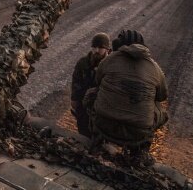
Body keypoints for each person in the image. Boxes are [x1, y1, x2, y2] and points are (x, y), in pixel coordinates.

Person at [90, 30, 168, 166]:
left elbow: (97, 81)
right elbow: (162, 96)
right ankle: (140, 151)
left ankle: (97, 138)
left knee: (91, 94)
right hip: (136, 134)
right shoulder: (154, 67)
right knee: (160, 110)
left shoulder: (109, 59)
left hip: (104, 125)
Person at [71, 33, 110, 137]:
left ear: (107, 49)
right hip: (83, 104)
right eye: (94, 47)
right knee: (83, 132)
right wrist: (74, 99)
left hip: (102, 107)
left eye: (100, 47)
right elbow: (76, 81)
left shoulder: (111, 65)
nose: (96, 50)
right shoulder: (83, 62)